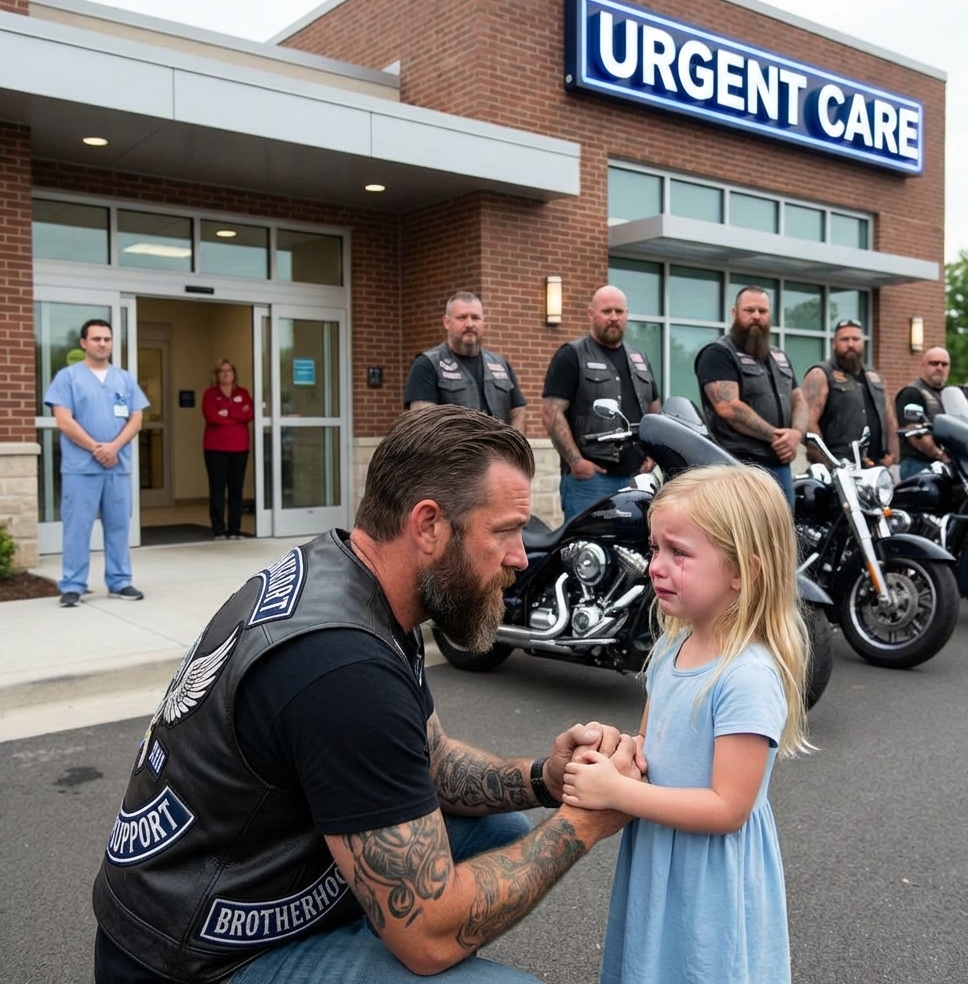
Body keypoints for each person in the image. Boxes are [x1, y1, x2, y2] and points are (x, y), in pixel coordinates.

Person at [93, 405, 640, 984]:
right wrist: (581, 824)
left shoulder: (354, 575)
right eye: (504, 531)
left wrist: (544, 780)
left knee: (498, 833)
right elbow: (428, 936)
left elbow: (429, 762)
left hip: (251, 888)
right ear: (428, 526)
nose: (520, 557)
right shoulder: (344, 667)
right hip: (191, 960)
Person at [562, 464, 811, 984]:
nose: (656, 566)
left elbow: (727, 809)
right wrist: (619, 754)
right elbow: (652, 750)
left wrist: (615, 793)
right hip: (662, 850)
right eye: (655, 549)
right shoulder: (672, 645)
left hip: (709, 874)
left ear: (743, 569)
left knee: (699, 964)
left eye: (679, 553)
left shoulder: (747, 675)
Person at [43, 318, 149, 608]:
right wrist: (96, 448)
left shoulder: (124, 379)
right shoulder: (67, 377)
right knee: (77, 528)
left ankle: (120, 581)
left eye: (107, 339)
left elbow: (136, 418)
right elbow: (64, 421)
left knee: (118, 527)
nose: (102, 344)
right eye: (96, 339)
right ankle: (73, 586)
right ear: (84, 343)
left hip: (117, 466)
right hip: (81, 468)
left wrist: (113, 447)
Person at [542, 284, 661, 520]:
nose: (614, 318)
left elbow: (654, 410)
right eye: (607, 311)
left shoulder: (639, 358)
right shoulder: (571, 355)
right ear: (591, 314)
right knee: (585, 549)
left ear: (627, 315)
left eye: (619, 312)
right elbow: (551, 413)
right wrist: (576, 462)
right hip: (591, 480)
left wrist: (654, 455)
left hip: (636, 477)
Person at [695, 286, 807, 505]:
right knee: (747, 535)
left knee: (783, 532)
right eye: (749, 310)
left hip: (780, 465)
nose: (756, 316)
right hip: (738, 467)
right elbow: (728, 408)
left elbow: (799, 399)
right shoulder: (718, 354)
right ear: (735, 313)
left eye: (763, 311)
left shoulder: (779, 357)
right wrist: (778, 438)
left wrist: (796, 435)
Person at [404, 290, 527, 431]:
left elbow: (518, 412)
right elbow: (423, 425)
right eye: (462, 317)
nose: (469, 324)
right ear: (446, 322)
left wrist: (513, 449)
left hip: (498, 452)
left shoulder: (501, 365)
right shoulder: (427, 365)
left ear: (483, 321)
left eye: (475, 317)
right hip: (452, 452)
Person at [802, 318, 898, 466]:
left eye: (855, 339)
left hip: (875, 469)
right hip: (839, 469)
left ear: (863, 342)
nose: (851, 344)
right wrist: (830, 465)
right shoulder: (820, 374)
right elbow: (807, 423)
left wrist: (893, 455)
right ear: (834, 343)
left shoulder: (874, 377)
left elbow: (889, 419)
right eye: (844, 339)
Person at [202, 358, 255, 539]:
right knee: (217, 489)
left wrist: (227, 412)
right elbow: (212, 417)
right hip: (215, 448)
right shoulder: (210, 394)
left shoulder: (243, 392)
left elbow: (249, 414)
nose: (226, 373)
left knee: (236, 490)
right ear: (217, 375)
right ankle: (219, 529)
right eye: (222, 371)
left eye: (229, 370)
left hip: (239, 447)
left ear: (234, 374)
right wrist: (236, 414)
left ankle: (235, 529)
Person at [894, 346, 951, 479]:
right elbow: (915, 435)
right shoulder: (911, 393)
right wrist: (941, 455)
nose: (939, 368)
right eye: (934, 363)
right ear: (923, 365)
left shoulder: (950, 395)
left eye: (944, 364)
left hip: (947, 465)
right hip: (919, 465)